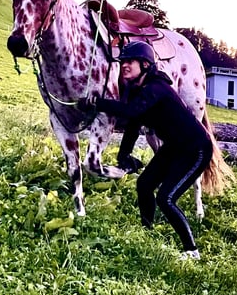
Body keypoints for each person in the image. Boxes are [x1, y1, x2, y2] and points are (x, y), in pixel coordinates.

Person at [78, 41, 213, 261]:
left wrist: (96, 102)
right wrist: (124, 156)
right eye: (123, 62)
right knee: (144, 185)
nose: (125, 66)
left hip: (196, 148)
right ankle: (146, 232)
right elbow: (133, 124)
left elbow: (131, 111)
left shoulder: (156, 88)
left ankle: (192, 251)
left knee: (166, 198)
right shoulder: (139, 90)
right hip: (174, 146)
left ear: (145, 64)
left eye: (130, 61)